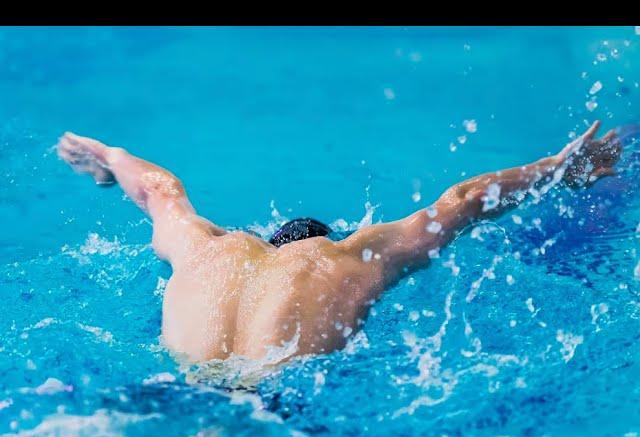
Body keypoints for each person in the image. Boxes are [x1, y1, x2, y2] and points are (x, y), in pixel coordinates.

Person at [56, 120, 622, 363]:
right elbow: (465, 200)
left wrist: (109, 158)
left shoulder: (207, 247)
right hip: (282, 394)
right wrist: (557, 169)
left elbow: (159, 190)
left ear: (268, 243)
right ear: (322, 240)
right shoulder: (351, 256)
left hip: (188, 378)